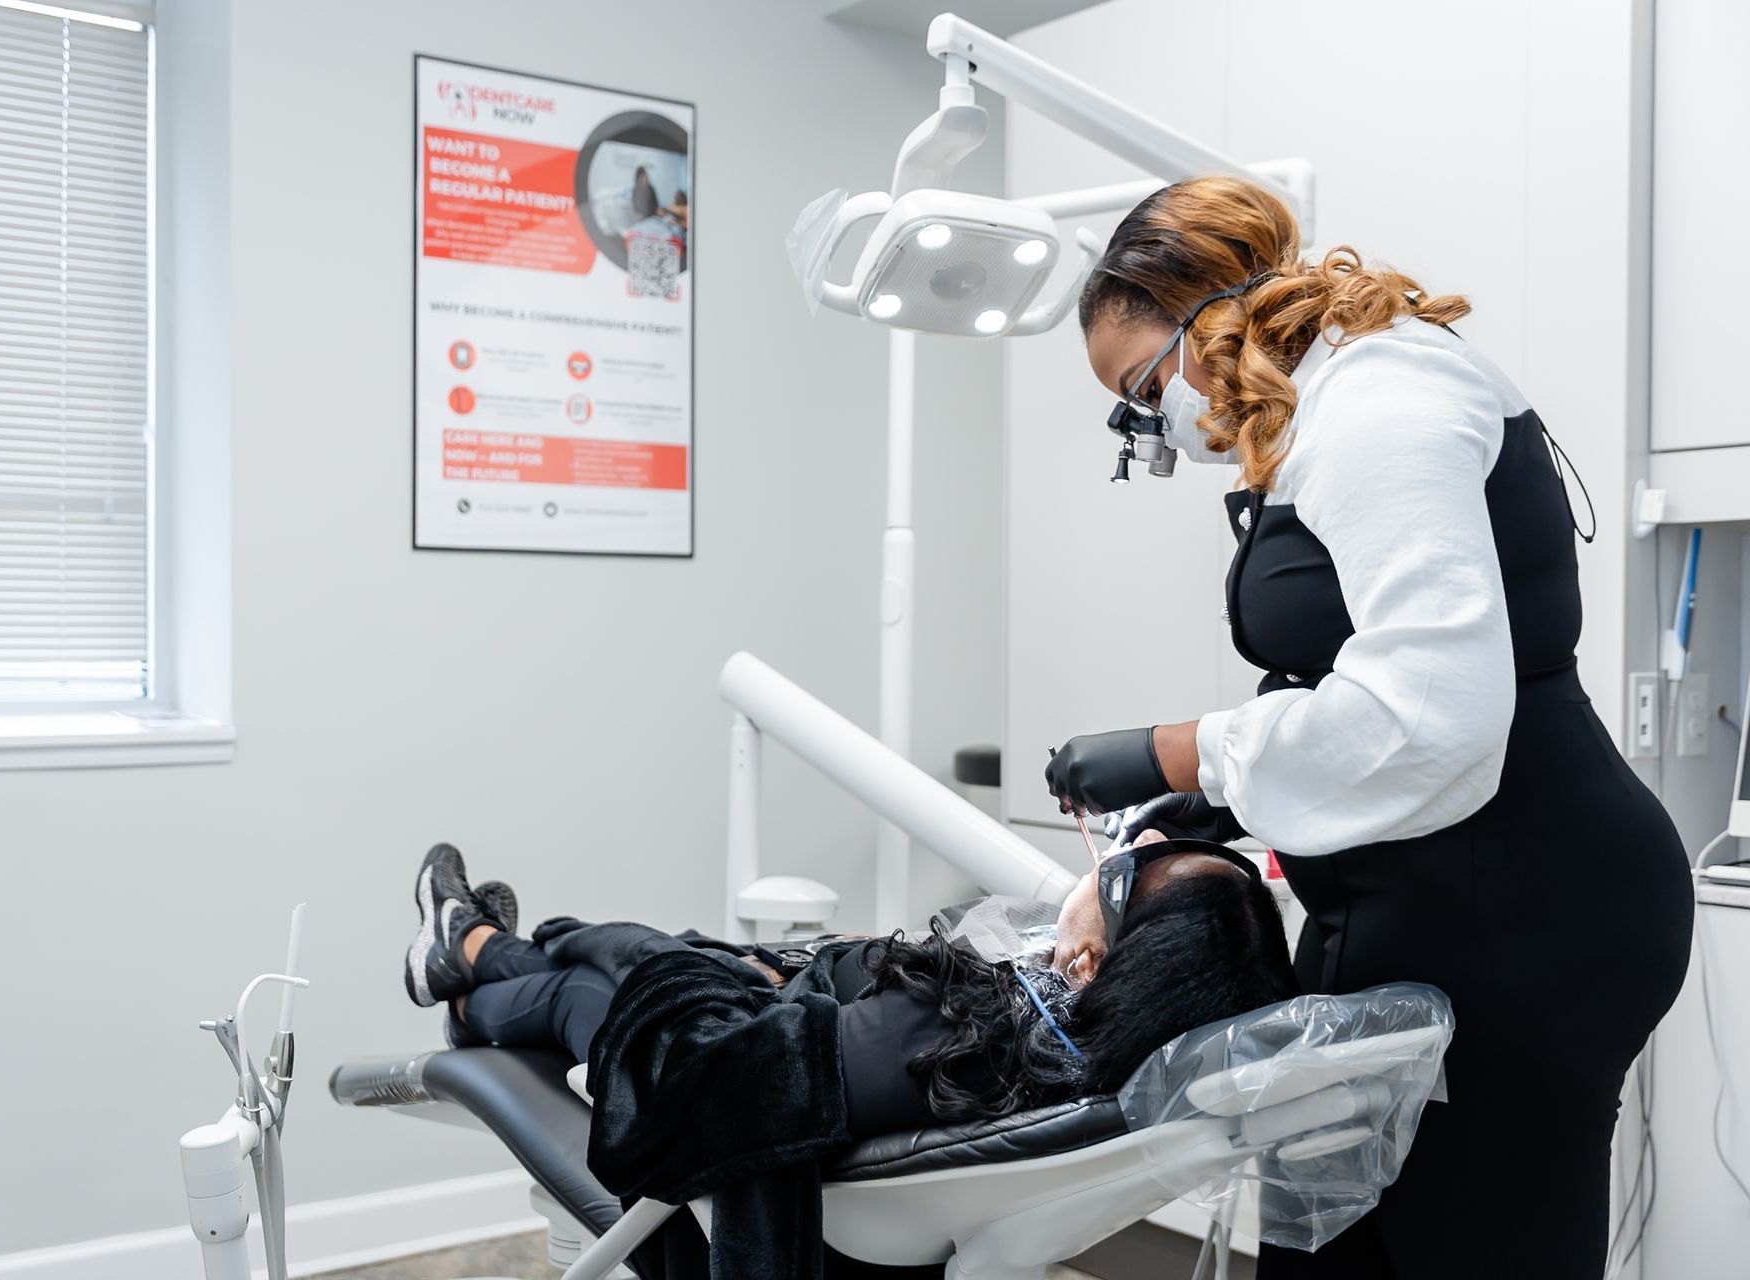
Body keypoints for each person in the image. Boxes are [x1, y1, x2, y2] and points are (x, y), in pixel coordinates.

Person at [1042, 175, 1694, 1278]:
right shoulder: (1332, 409)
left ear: (1200, 330)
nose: (1146, 427)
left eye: (1137, 389)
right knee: (1340, 1244)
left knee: (1470, 1242)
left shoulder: (1385, 406)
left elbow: (1432, 711)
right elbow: (1347, 679)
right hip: (1434, 896)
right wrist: (1190, 804)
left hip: (1529, 911)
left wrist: (1176, 747)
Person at [401, 838, 1297, 1137]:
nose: (1097, 870)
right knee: (661, 952)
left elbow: (763, 1076)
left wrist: (755, 990)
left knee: (604, 973)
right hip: (762, 1033)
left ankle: (471, 968)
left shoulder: (969, 1036)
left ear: (1094, 964)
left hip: (678, 1072)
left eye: (1113, 884)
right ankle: (469, 950)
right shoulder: (1080, 1051)